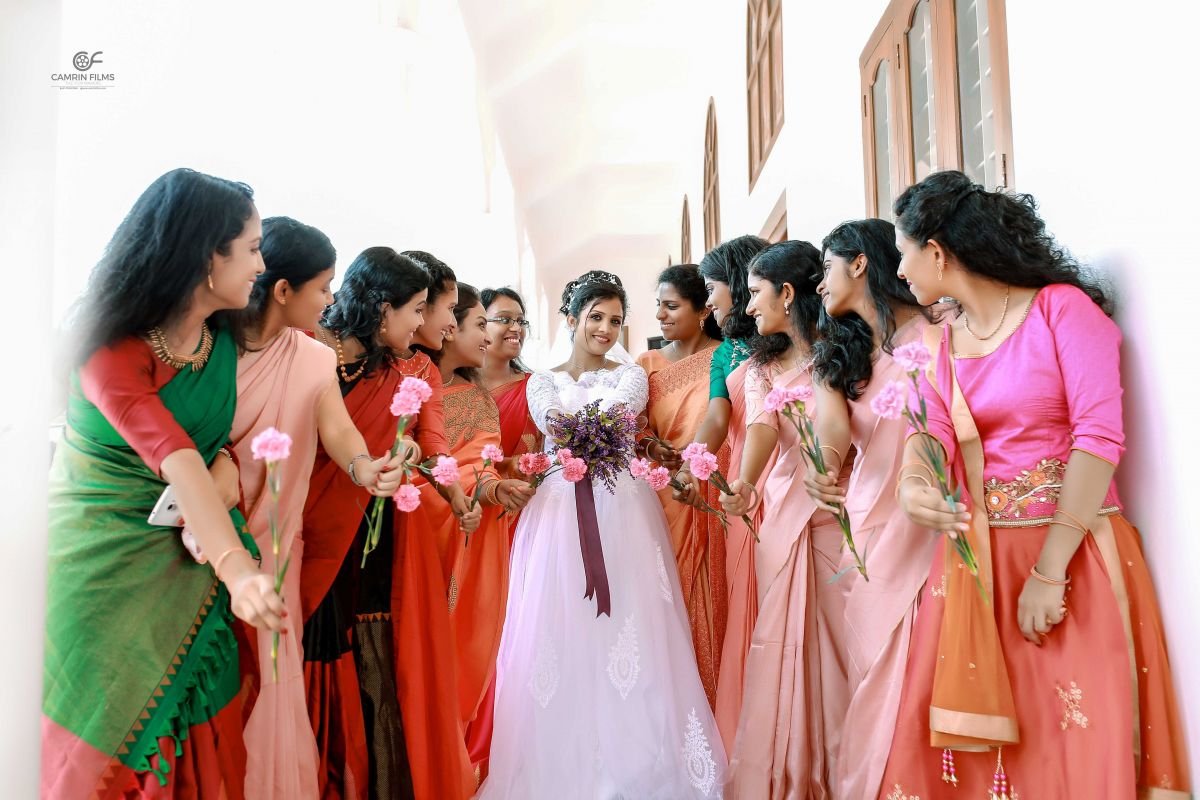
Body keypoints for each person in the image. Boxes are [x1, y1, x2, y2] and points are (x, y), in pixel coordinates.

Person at [879, 170, 1190, 798]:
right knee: (996, 758)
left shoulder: (1061, 312)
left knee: (1071, 743)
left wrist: (1050, 573)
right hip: (980, 566)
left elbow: (1097, 439)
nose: (901, 270)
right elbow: (931, 430)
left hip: (1073, 553)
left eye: (903, 252)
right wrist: (914, 482)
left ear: (936, 251)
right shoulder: (946, 342)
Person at [42, 168, 284, 798]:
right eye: (253, 247)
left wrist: (228, 468)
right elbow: (173, 454)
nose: (262, 263)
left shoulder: (221, 337)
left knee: (209, 744)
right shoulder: (108, 350)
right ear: (209, 256)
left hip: (192, 563)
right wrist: (237, 571)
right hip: (107, 575)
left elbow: (208, 443)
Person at [479, 271, 725, 798]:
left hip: (625, 511)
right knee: (559, 624)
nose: (606, 329)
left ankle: (637, 763)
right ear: (571, 319)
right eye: (595, 317)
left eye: (616, 320)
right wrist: (583, 433)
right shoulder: (540, 380)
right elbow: (558, 423)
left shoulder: (631, 374)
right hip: (557, 513)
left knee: (630, 626)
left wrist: (583, 432)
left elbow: (614, 420)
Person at [228, 216, 404, 799]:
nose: (331, 300)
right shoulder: (211, 348)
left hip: (279, 550)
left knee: (270, 688)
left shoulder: (312, 359)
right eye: (323, 287)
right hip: (203, 545)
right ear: (284, 291)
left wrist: (366, 469)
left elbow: (341, 434)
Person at [800, 218, 934, 797]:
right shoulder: (839, 355)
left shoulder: (941, 332)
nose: (819, 286)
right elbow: (831, 424)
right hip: (870, 528)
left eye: (826, 268)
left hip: (932, 522)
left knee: (926, 667)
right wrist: (821, 465)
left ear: (858, 263)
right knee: (874, 674)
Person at [299, 246, 432, 799]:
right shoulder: (307, 352)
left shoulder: (397, 370)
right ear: (383, 309)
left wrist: (402, 458)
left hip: (362, 531)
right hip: (299, 528)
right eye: (416, 309)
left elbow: (414, 443)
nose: (422, 323)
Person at [717, 240, 848, 798]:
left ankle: (846, 764)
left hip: (841, 506)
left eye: (755, 294)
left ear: (787, 294)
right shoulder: (762, 367)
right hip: (785, 508)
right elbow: (764, 429)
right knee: (787, 642)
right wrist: (745, 482)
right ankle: (796, 774)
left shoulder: (843, 352)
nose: (748, 307)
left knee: (841, 642)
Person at [407, 283, 536, 788]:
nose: (488, 335)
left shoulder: (476, 396)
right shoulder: (404, 384)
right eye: (479, 324)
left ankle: (454, 761)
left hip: (467, 534)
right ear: (446, 328)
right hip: (411, 532)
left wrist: (494, 486)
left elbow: (476, 462)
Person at [676, 234, 770, 750]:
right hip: (738, 485)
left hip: (792, 473)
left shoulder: (788, 334)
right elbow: (718, 414)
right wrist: (695, 459)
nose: (709, 299)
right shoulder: (728, 350)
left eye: (713, 287)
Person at [635, 264, 724, 708]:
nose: (662, 316)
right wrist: (653, 448)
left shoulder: (725, 357)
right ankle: (670, 708)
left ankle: (713, 698)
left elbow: (728, 420)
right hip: (662, 493)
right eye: (659, 307)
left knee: (712, 592)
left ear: (704, 309)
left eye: (671, 307)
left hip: (712, 487)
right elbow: (634, 430)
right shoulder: (646, 365)